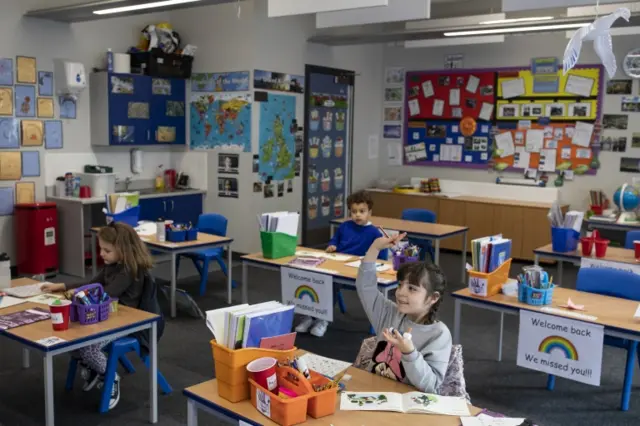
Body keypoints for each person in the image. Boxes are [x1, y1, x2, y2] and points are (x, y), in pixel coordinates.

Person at [42, 222, 161, 410]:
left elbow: (105, 293)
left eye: (107, 250)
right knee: (70, 340)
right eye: (101, 249)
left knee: (88, 346)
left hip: (129, 324)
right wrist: (63, 286)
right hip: (111, 318)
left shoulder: (129, 270)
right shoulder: (113, 265)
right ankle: (94, 368)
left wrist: (77, 294)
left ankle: (110, 376)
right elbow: (92, 283)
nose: (101, 254)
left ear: (123, 250)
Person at [355, 233, 452, 393]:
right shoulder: (390, 313)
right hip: (374, 392)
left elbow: (431, 385)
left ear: (433, 298)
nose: (400, 293)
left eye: (412, 289)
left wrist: (409, 352)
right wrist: (375, 248)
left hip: (407, 404)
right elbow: (366, 287)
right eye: (400, 285)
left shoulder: (439, 335)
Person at [296, 190, 382, 337]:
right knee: (311, 277)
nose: (357, 215)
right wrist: (332, 246)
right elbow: (335, 240)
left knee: (329, 283)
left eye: (362, 211)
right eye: (354, 211)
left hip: (356, 270)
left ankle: (323, 318)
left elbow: (378, 254)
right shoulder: (345, 226)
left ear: (370, 212)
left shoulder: (374, 233)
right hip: (337, 262)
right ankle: (309, 316)